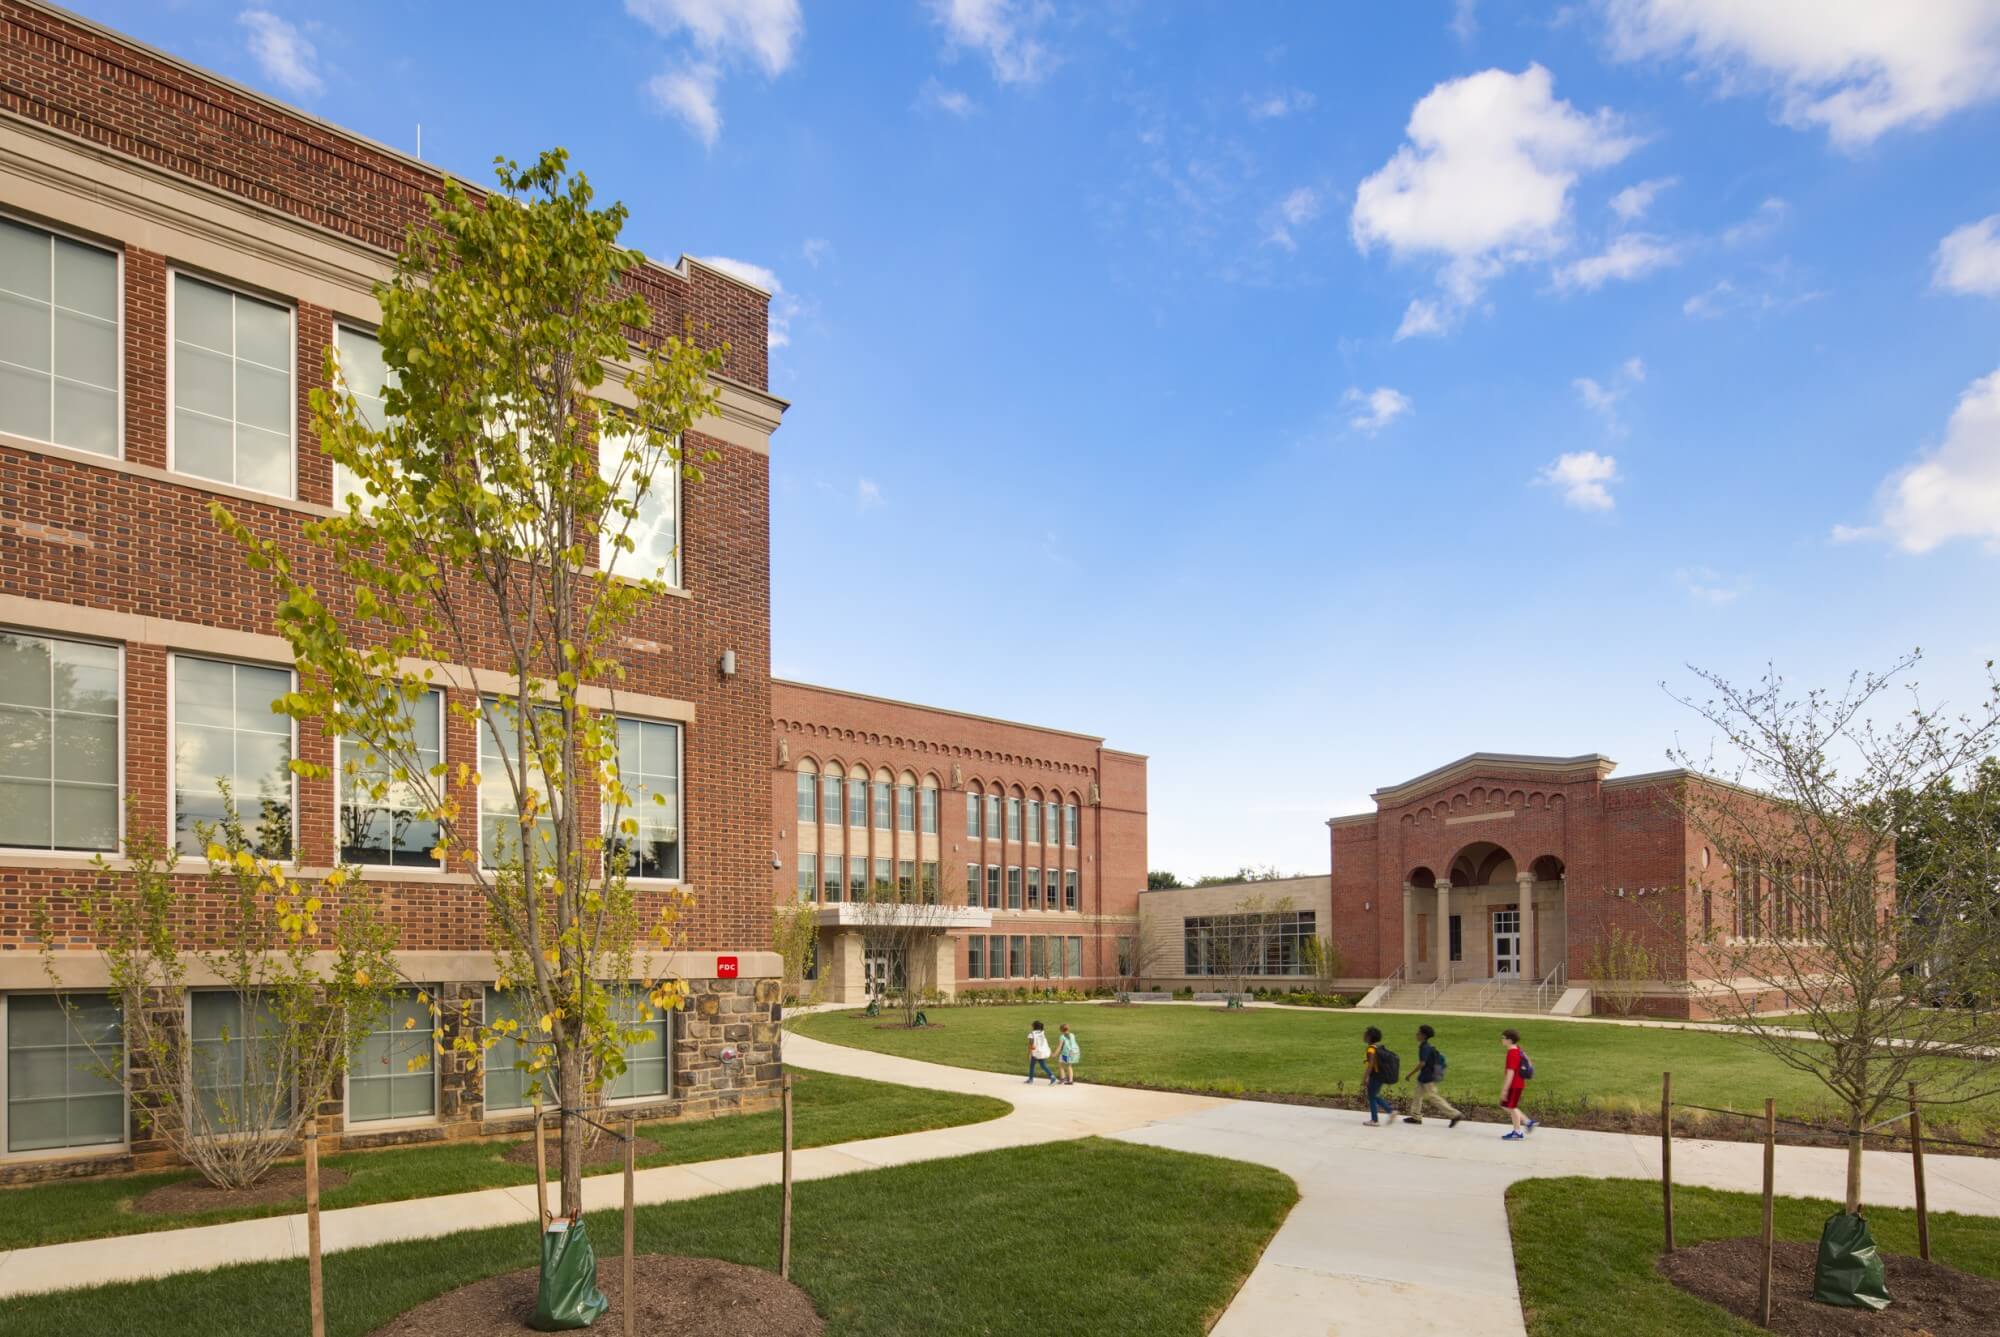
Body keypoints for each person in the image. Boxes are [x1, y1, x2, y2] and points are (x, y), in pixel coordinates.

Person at [1402, 1024, 1462, 1127]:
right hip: (1424, 1076)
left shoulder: (1424, 1048)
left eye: (1419, 1033)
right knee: (1417, 1095)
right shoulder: (1425, 1046)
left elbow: (1422, 1063)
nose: (1416, 1034)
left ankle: (1455, 1114)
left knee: (1433, 1097)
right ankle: (1416, 1117)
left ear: (1424, 1036)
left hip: (1428, 1077)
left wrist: (1410, 1074)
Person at [1499, 1028, 1536, 1139]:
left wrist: (1505, 1090)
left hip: (1514, 1085)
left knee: (1510, 1107)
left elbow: (1511, 1072)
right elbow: (1528, 1061)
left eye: (1503, 1038)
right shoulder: (1518, 1049)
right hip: (1518, 1083)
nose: (1501, 1040)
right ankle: (1525, 1124)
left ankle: (1520, 1129)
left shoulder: (1512, 1053)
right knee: (1507, 1106)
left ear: (1509, 1040)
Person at [1362, 1025, 1396, 1125]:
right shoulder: (1377, 1047)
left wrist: (1365, 1077)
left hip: (1375, 1076)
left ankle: (1375, 1119)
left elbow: (1371, 1064)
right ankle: (1390, 1111)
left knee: (1372, 1096)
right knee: (1374, 1095)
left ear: (1369, 1037)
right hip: (1381, 1075)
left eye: (1365, 1034)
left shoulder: (1370, 1049)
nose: (1363, 1036)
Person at [1026, 1020, 1056, 1085]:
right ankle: (1031, 1079)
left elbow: (1031, 1044)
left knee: (1035, 1065)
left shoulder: (1031, 1034)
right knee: (1040, 1065)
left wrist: (1029, 1053)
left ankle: (1052, 1077)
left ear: (1033, 1026)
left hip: (1036, 1052)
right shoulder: (1042, 1032)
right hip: (1043, 1051)